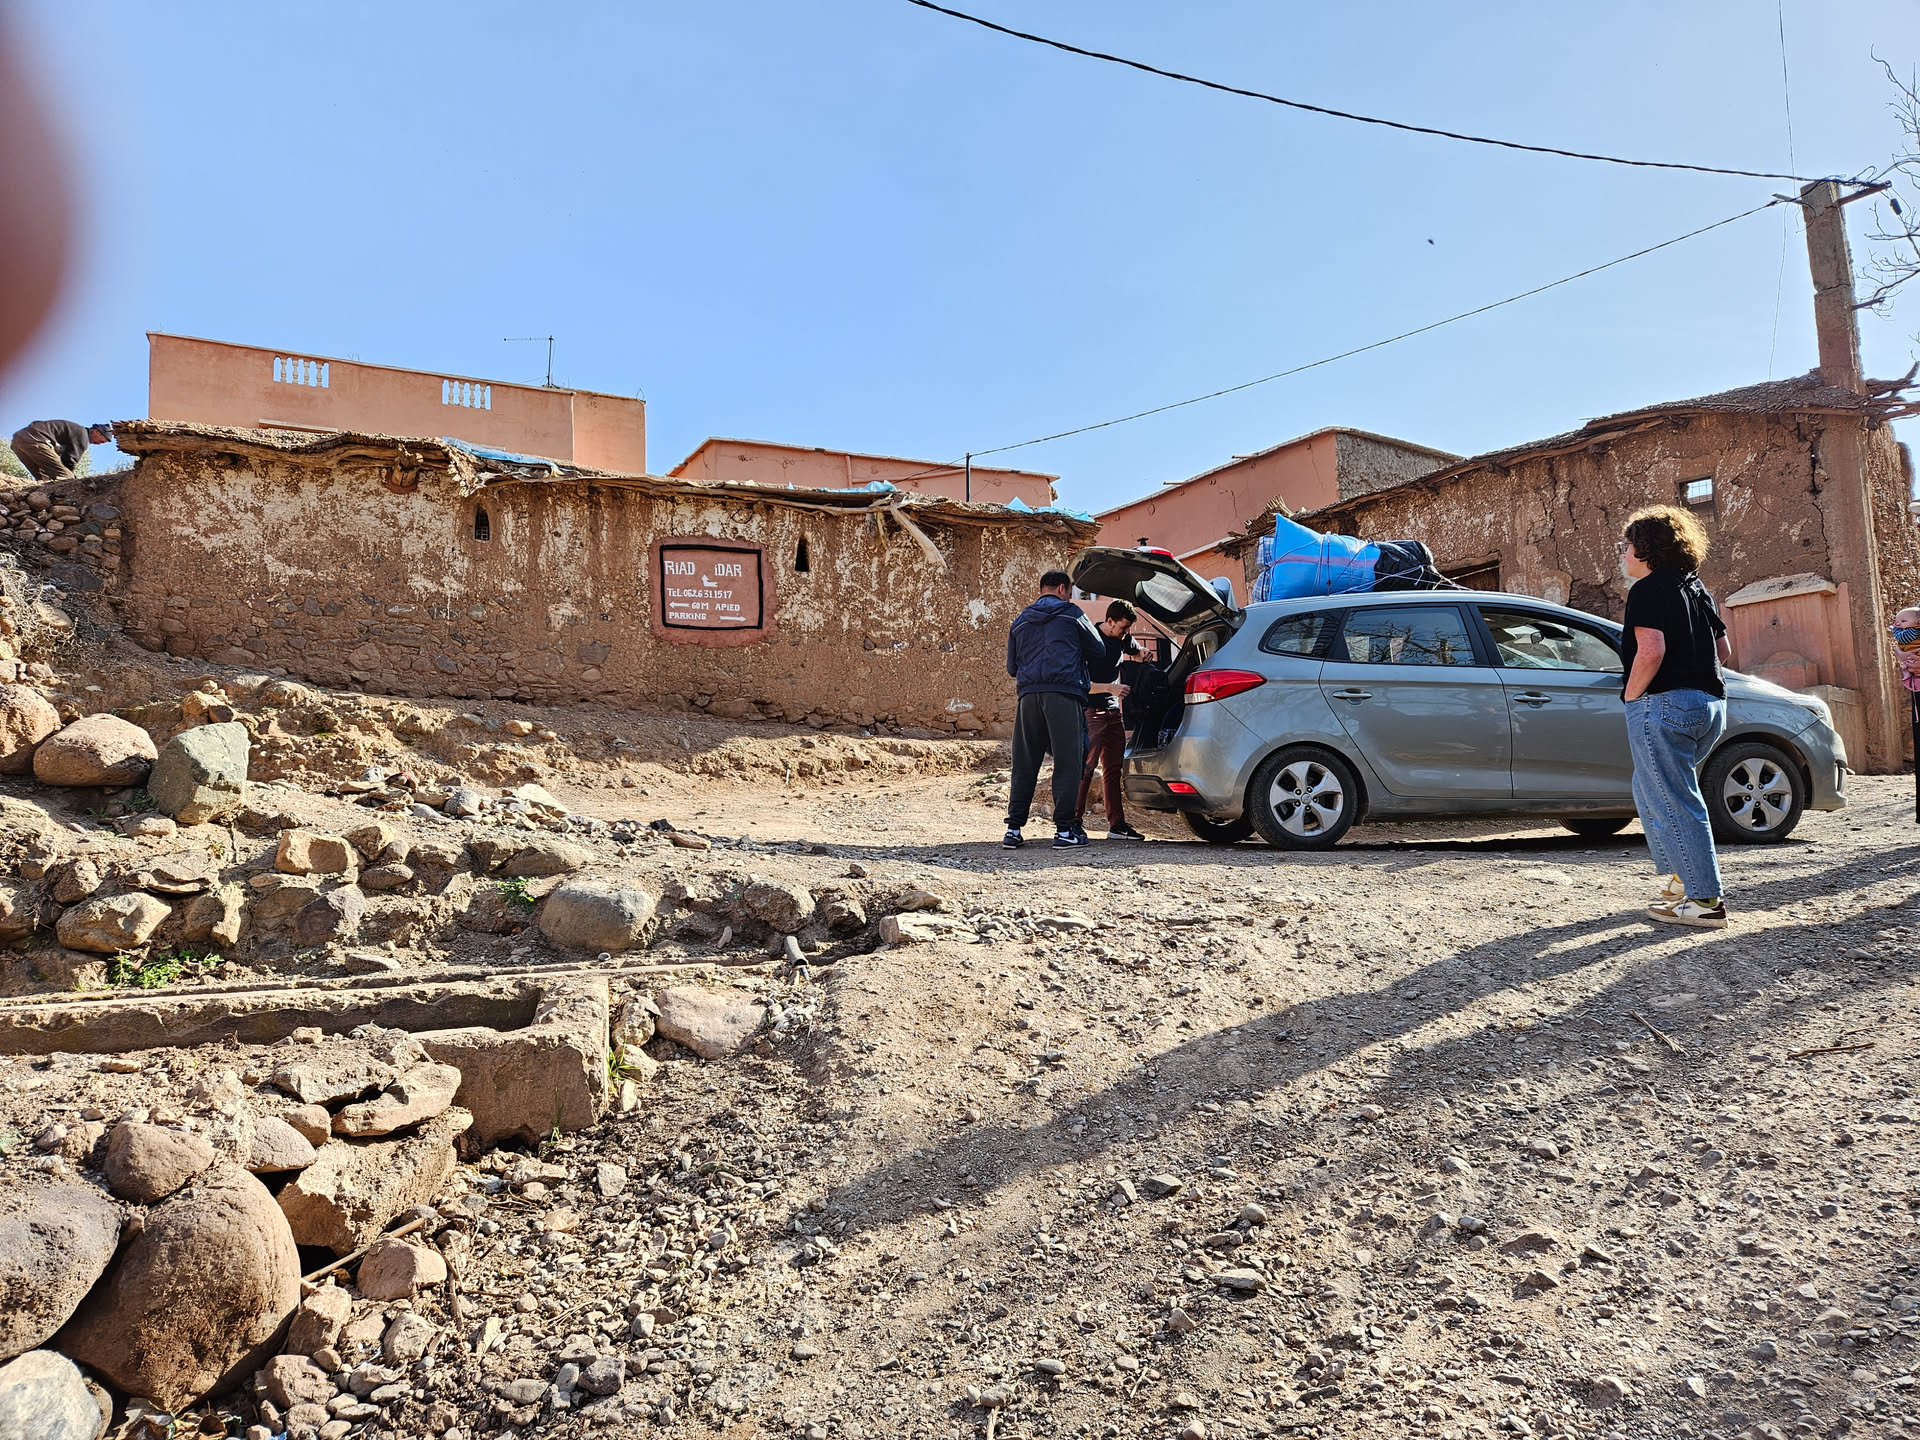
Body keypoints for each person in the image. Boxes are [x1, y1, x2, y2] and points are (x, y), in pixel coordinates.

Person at [1619, 505, 1733, 929]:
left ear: (1646, 549)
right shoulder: (1697, 589)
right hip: (1709, 706)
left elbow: (1651, 651)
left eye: (1627, 546)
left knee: (1674, 799)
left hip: (1663, 705)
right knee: (1649, 787)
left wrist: (1632, 697)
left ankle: (1705, 901)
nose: (1623, 554)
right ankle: (1682, 876)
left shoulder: (1647, 590)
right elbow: (1724, 652)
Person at [1003, 570, 1127, 849]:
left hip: (1028, 698)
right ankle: (1065, 831)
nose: (1071, 597)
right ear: (1062, 588)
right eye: (1071, 592)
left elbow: (1012, 668)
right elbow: (1098, 649)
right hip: (1064, 694)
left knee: (1024, 763)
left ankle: (1013, 830)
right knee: (1068, 762)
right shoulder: (1072, 614)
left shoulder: (1020, 620)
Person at [1078, 599, 1146, 840]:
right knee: (1086, 769)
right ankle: (1073, 823)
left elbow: (1138, 653)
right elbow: (1080, 683)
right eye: (1123, 627)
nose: (1126, 632)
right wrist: (1110, 688)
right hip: (1091, 712)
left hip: (1113, 713)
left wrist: (1143, 653)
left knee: (1114, 771)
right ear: (1110, 621)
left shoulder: (1123, 638)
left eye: (1128, 628)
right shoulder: (1090, 640)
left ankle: (1117, 826)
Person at [8, 420, 109, 486]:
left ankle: (41, 501)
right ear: (96, 431)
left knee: (44, 480)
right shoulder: (83, 436)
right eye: (101, 441)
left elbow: (36, 423)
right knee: (67, 478)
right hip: (36, 441)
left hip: (18, 441)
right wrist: (71, 476)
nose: (99, 444)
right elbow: (69, 460)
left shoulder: (74, 430)